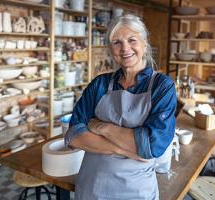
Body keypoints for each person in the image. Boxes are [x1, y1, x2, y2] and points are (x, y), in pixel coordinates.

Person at [64, 14, 177, 200]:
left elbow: (152, 146)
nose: (125, 48)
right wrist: (124, 149)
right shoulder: (99, 84)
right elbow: (74, 135)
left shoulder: (162, 86)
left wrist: (102, 127)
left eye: (132, 40)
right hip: (92, 186)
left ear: (144, 43)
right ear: (111, 48)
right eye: (117, 42)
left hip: (136, 191)